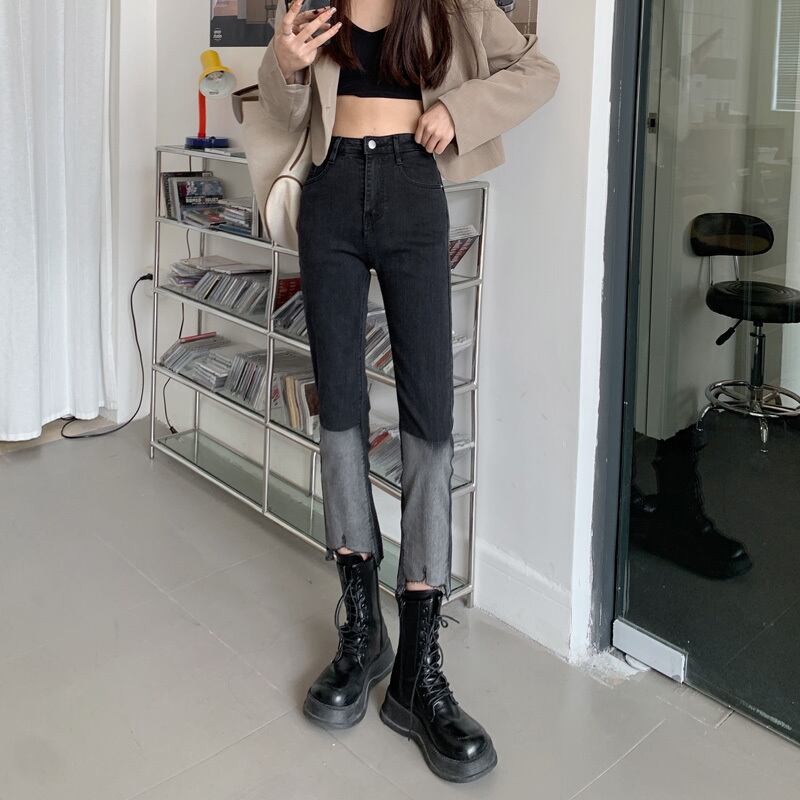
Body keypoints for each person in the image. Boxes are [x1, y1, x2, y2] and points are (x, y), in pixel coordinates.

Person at [257, 0, 559, 782]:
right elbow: (282, 111)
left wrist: (460, 111)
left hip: (411, 189)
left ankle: (418, 670)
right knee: (339, 411)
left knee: (429, 414)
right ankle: (363, 632)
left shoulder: (452, 6)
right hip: (329, 193)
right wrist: (283, 64)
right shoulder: (312, 6)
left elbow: (538, 70)